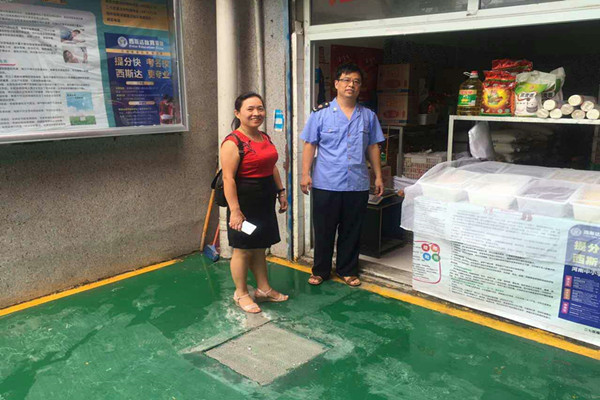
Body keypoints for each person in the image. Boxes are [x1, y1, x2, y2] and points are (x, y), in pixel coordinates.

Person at [300, 63, 385, 287]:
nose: (351, 85)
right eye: (346, 80)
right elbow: (309, 144)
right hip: (326, 183)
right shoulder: (320, 114)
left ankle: (347, 270)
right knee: (324, 230)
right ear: (336, 84)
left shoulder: (368, 116)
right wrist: (304, 174)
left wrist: (378, 176)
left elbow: (373, 147)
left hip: (357, 184)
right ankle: (321, 270)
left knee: (352, 230)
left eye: (356, 81)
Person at [220, 92, 289, 313]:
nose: (256, 113)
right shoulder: (233, 142)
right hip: (244, 204)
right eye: (250, 109)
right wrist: (235, 211)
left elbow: (272, 167)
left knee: (259, 247)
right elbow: (228, 179)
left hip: (264, 201)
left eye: (260, 108)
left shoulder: (264, 137)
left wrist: (281, 192)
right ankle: (241, 294)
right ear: (237, 113)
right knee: (242, 249)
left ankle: (264, 289)